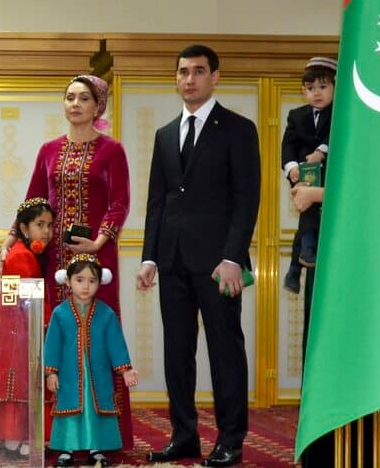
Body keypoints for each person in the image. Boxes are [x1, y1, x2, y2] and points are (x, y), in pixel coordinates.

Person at [138, 44, 260, 468]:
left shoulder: (239, 129)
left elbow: (247, 200)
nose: (189, 79)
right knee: (177, 353)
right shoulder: (165, 133)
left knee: (226, 351)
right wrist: (149, 257)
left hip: (218, 266)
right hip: (170, 262)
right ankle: (184, 437)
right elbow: (158, 201)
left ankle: (231, 440)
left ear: (215, 77)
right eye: (183, 72)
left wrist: (232, 256)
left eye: (198, 71)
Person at [0, 73, 134, 449]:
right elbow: (32, 200)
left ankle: (101, 434)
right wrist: (11, 239)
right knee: (51, 340)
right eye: (70, 97)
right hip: (51, 260)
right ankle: (51, 433)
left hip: (96, 260)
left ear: (98, 106)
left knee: (96, 339)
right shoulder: (48, 150)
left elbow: (119, 202)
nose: (75, 104)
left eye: (84, 98)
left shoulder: (112, 150)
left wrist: (98, 242)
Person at [44, 254, 138, 468]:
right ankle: (67, 449)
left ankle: (96, 449)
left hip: (98, 373)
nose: (86, 286)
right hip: (69, 374)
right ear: (68, 281)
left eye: (92, 280)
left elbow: (116, 343)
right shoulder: (60, 314)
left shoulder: (106, 314)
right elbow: (52, 345)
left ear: (99, 282)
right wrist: (51, 372)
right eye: (79, 280)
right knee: (68, 407)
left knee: (98, 408)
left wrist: (126, 370)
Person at [0, 197, 54, 460]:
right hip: (20, 328)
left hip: (15, 326)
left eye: (50, 225)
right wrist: (49, 323)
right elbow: (29, 299)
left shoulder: (28, 253)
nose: (47, 231)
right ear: (24, 229)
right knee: (21, 378)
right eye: (40, 224)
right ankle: (18, 438)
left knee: (19, 379)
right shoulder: (22, 256)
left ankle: (15, 439)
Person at [280, 56, 336, 293]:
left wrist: (322, 152)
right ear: (303, 90)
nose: (317, 93)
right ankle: (302, 256)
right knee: (306, 209)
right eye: (311, 88)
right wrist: (291, 167)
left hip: (331, 175)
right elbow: (288, 145)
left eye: (323, 87)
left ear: (335, 86)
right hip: (305, 174)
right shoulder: (296, 115)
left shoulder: (341, 113)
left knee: (309, 210)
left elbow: (336, 137)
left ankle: (297, 264)